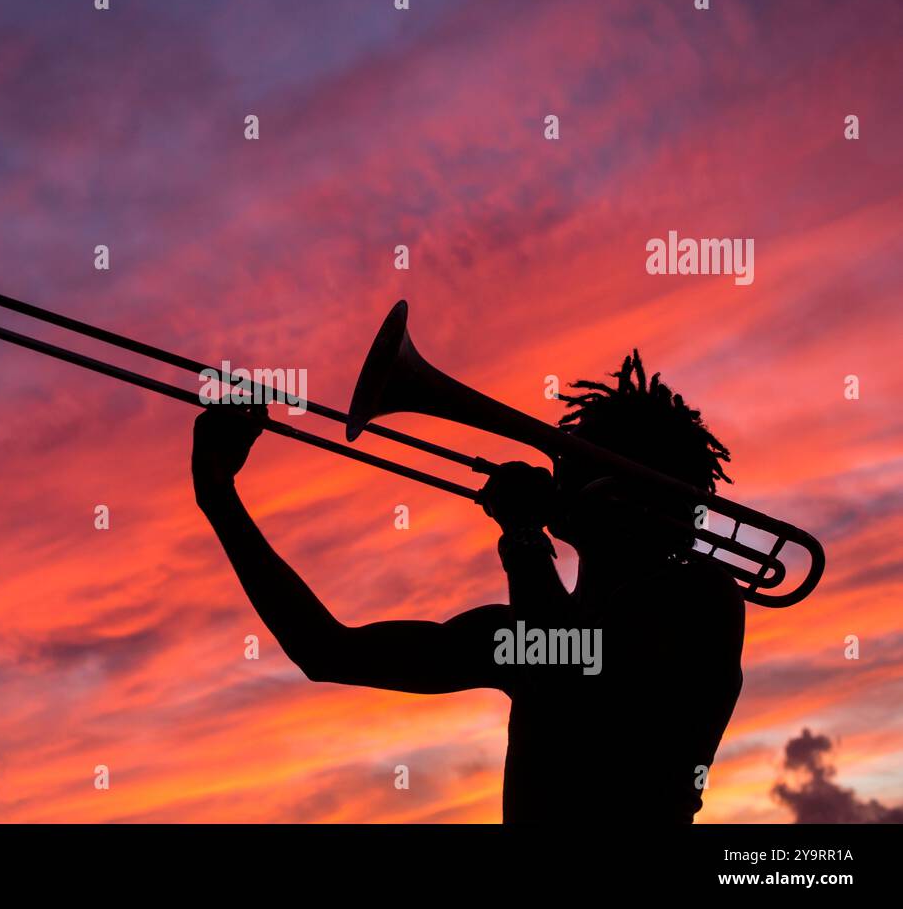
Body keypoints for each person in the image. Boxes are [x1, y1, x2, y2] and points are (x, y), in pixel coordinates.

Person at [191, 350, 744, 822]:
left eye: (574, 460)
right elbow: (326, 652)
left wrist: (525, 537)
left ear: (627, 490)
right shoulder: (516, 634)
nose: (555, 470)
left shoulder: (703, 598)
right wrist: (219, 498)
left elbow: (570, 680)